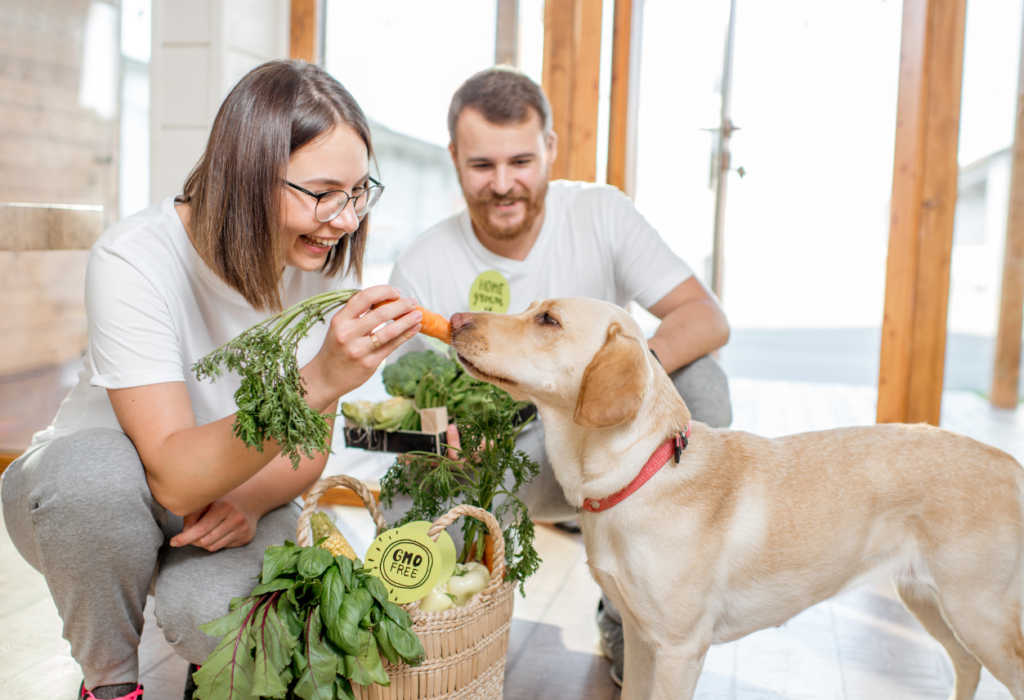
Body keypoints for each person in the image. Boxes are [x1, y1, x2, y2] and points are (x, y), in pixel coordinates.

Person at [1, 60, 424, 700]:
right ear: (248, 175)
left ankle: (215, 675)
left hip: (236, 493)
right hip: (92, 504)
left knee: (218, 616)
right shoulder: (134, 258)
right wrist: (322, 376)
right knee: (92, 473)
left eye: (360, 192)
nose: (346, 220)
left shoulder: (323, 265)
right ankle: (110, 686)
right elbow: (170, 473)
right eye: (323, 193)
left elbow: (309, 450)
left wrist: (251, 501)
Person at [386, 66, 733, 686]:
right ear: (454, 158)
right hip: (499, 462)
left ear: (549, 148)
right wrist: (439, 435)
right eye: (481, 165)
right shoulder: (423, 263)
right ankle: (453, 648)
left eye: (520, 160)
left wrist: (616, 374)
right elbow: (403, 402)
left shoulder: (600, 213)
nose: (503, 184)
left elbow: (705, 316)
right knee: (405, 492)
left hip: (607, 449)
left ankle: (635, 614)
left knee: (701, 384)